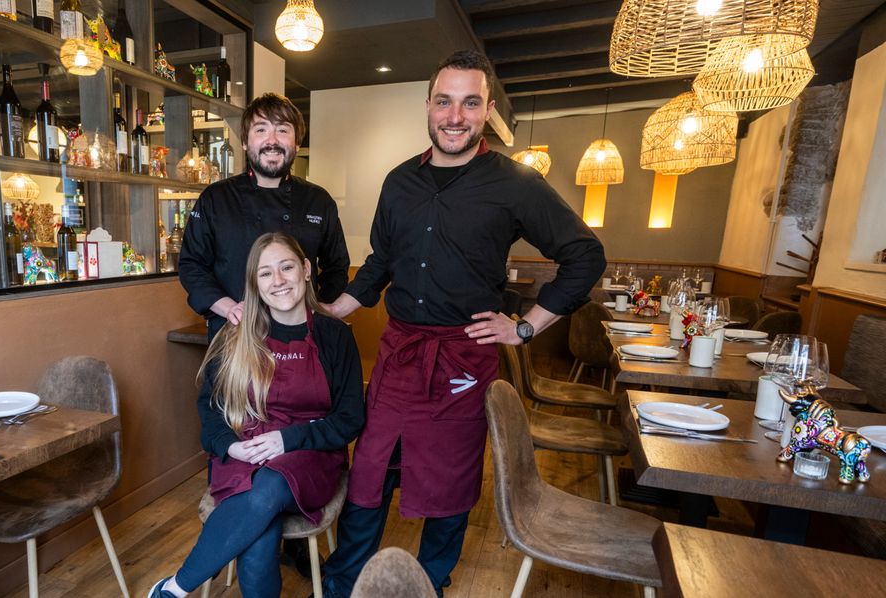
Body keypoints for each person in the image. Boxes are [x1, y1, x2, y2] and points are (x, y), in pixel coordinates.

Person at [319, 50, 607, 597]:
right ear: (427, 106)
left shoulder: (516, 183)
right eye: (445, 102)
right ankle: (342, 587)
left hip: (463, 357)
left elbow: (585, 256)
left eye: (470, 103)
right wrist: (339, 309)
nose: (455, 115)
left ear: (487, 110)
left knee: (448, 486)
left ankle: (431, 586)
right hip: (401, 353)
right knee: (369, 476)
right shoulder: (399, 181)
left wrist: (523, 327)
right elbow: (381, 260)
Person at [148, 232, 365, 598]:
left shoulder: (334, 336)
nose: (278, 281)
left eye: (286, 267)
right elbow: (211, 409)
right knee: (261, 531)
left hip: (311, 453)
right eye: (265, 274)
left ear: (307, 270)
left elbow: (349, 418)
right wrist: (231, 448)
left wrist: (287, 439)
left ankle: (175, 587)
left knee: (269, 487)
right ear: (254, 283)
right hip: (245, 450)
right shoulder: (236, 336)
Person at [179, 93, 350, 341]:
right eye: (261, 130)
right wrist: (229, 308)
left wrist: (316, 308)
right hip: (233, 334)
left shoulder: (319, 201)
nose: (272, 140)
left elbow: (337, 267)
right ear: (246, 142)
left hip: (302, 337)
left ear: (297, 143)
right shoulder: (216, 198)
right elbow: (191, 265)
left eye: (282, 130)